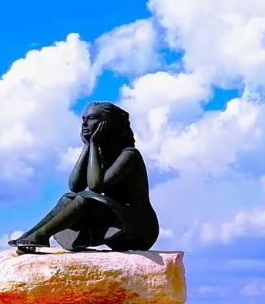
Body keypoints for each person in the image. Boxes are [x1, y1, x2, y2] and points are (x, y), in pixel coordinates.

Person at [9, 102, 159, 252]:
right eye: (83, 119)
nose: (85, 124)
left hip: (139, 228)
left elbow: (95, 187)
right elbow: (74, 186)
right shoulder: (100, 156)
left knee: (84, 199)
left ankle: (41, 235)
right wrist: (87, 147)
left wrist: (93, 144)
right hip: (118, 222)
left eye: (92, 118)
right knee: (68, 198)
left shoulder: (129, 155)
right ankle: (34, 234)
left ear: (108, 124)